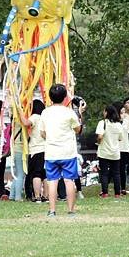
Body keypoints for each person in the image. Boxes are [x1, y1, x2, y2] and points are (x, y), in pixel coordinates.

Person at [40, 84, 83, 217]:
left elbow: (42, 133)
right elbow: (78, 130)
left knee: (52, 181)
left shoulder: (45, 112)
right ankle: (71, 210)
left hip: (51, 152)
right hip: (68, 152)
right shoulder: (69, 112)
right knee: (69, 181)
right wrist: (80, 114)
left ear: (50, 97)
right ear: (65, 97)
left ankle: (52, 211)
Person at [19, 100, 47, 202]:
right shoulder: (45, 118)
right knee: (45, 174)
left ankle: (37, 196)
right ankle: (46, 196)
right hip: (46, 150)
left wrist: (20, 112)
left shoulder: (35, 117)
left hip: (36, 149)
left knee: (36, 174)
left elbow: (26, 123)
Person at [96, 105, 124, 198]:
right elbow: (120, 138)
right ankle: (117, 193)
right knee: (116, 173)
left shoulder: (102, 123)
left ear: (107, 112)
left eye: (104, 111)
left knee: (104, 173)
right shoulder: (119, 125)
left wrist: (98, 142)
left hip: (104, 152)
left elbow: (100, 136)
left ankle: (105, 192)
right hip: (115, 152)